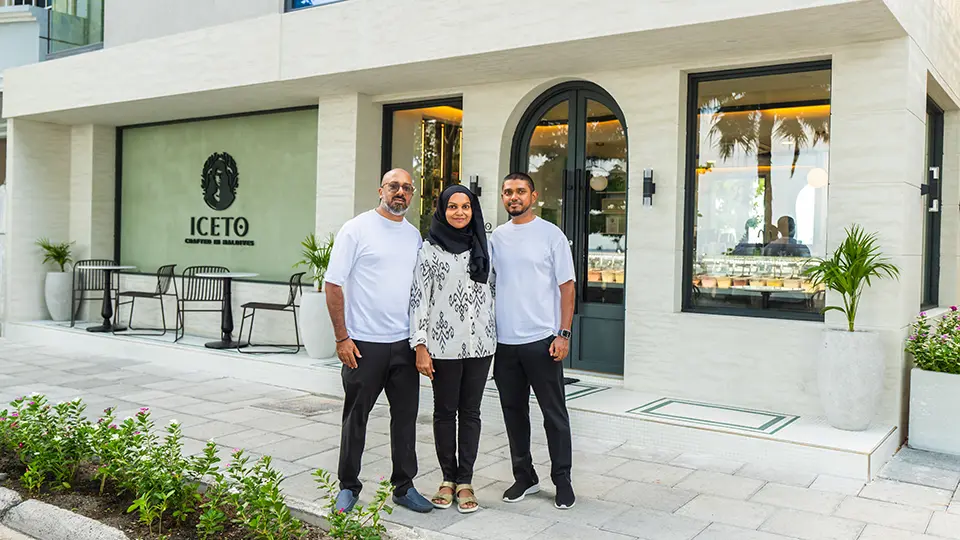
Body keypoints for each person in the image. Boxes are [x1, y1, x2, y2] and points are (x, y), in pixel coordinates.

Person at [324, 168, 433, 514]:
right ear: (380, 190)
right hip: (364, 345)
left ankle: (404, 486)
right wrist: (342, 337)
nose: (399, 192)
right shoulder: (356, 229)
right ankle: (348, 486)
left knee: (405, 419)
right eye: (393, 186)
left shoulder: (413, 235)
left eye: (406, 188)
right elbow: (333, 285)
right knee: (355, 418)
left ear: (411, 195)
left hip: (403, 343)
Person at [489, 172, 577, 510]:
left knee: (554, 414)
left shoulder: (551, 235)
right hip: (505, 343)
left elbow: (567, 287)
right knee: (513, 413)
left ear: (533, 196)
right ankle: (524, 476)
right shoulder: (496, 237)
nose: (514, 197)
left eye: (520, 191)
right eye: (508, 192)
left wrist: (563, 333)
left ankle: (563, 480)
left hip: (542, 340)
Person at [409, 185, 495, 514]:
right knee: (445, 413)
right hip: (443, 345)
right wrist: (420, 345)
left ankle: (465, 481)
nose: (460, 212)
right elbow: (419, 299)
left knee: (471, 413)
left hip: (481, 344)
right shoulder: (429, 250)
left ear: (474, 211)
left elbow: (495, 293)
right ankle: (447, 478)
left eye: (466, 207)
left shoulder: (484, 247)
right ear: (442, 210)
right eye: (453, 207)